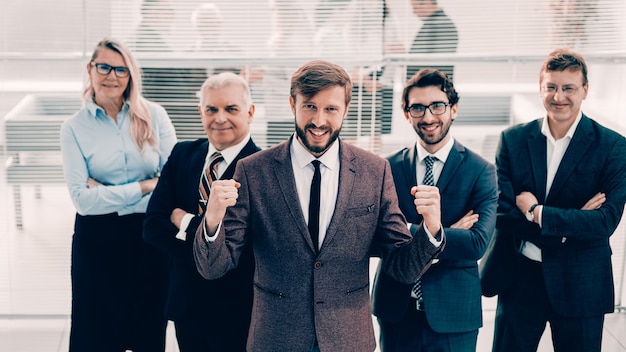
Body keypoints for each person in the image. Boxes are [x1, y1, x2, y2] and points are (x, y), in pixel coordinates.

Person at [193, 59, 445, 351]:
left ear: (346, 110)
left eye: (330, 109)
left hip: (347, 340)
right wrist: (211, 221)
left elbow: (402, 267)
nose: (319, 120)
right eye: (310, 106)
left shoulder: (374, 171)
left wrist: (431, 229)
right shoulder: (253, 171)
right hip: (276, 340)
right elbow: (213, 267)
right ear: (292, 104)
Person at [491, 48, 626, 352]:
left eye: (568, 88)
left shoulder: (614, 147)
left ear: (585, 91)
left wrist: (537, 212)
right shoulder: (513, 140)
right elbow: (502, 212)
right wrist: (569, 226)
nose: (558, 96)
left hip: (582, 282)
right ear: (540, 88)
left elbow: (605, 222)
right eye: (551, 87)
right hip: (521, 279)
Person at [60, 37, 177, 352]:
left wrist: (109, 193)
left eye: (121, 70)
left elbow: (171, 184)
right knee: (94, 333)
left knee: (149, 331)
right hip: (97, 241)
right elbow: (82, 202)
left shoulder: (155, 115)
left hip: (148, 238)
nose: (112, 76)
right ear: (91, 69)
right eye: (104, 67)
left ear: (131, 75)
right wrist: (146, 185)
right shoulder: (73, 128)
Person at [372, 68, 498, 352]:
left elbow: (477, 244)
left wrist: (406, 231)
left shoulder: (481, 171)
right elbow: (378, 237)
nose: (428, 117)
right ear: (406, 114)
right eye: (417, 108)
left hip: (454, 313)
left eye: (437, 106)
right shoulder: (386, 169)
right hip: (396, 309)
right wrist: (439, 232)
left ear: (453, 109)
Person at [143, 72, 260, 351]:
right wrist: (210, 241)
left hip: (238, 309)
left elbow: (248, 248)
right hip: (187, 304)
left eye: (231, 109)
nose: (220, 118)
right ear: (201, 112)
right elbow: (153, 227)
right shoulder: (182, 154)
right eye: (211, 109)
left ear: (250, 112)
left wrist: (183, 220)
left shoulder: (263, 168)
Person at [406, 0, 458, 80]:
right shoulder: (432, 24)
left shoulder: (443, 25)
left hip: (431, 86)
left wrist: (406, 58)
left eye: (415, 7)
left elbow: (438, 63)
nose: (414, 12)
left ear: (427, 3)